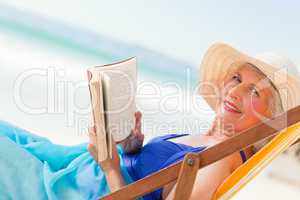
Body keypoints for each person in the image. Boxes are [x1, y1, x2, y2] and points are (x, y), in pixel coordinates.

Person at [0, 43, 299, 200]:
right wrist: (132, 146)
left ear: (272, 117)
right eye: (236, 78)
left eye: (254, 91)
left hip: (72, 191)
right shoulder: (210, 141)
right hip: (70, 168)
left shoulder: (221, 160)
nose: (234, 91)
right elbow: (151, 181)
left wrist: (110, 167)